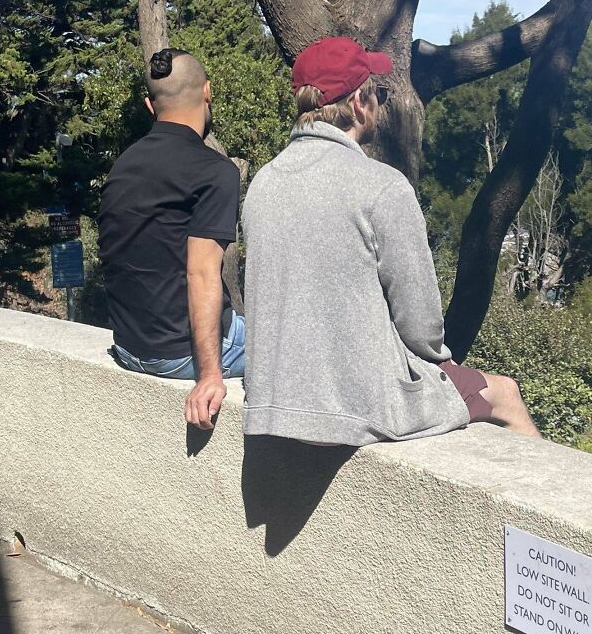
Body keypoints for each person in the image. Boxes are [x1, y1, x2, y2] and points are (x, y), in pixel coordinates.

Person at [241, 36, 540, 446]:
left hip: (273, 401)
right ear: (359, 103)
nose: (381, 104)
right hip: (356, 407)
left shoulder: (264, 182)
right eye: (379, 94)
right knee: (506, 393)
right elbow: (421, 327)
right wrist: (437, 366)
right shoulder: (381, 185)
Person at [98, 48, 243, 430]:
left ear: (150, 105)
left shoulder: (122, 166)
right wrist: (209, 376)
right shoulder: (215, 171)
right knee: (297, 346)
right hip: (180, 356)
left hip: (128, 347)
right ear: (207, 91)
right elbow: (201, 274)